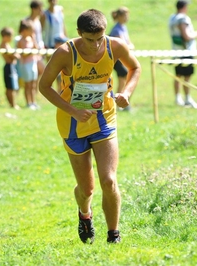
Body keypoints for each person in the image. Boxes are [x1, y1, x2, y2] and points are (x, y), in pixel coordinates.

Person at [39, 9, 141, 244]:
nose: (96, 45)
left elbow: (135, 68)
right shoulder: (65, 53)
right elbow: (44, 86)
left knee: (109, 180)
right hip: (72, 123)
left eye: (99, 38)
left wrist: (127, 92)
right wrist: (73, 110)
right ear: (78, 33)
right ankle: (85, 214)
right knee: (87, 189)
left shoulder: (115, 46)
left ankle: (113, 235)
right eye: (89, 39)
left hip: (104, 118)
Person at [168, 0, 197, 109]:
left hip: (176, 50)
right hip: (186, 51)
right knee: (187, 77)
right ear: (184, 7)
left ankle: (178, 97)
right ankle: (187, 98)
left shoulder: (172, 18)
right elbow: (186, 36)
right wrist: (195, 34)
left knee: (177, 75)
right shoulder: (183, 18)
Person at [109, 7, 134, 111]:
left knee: (124, 76)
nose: (126, 17)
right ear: (119, 16)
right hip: (115, 58)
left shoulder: (123, 27)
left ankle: (119, 101)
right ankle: (118, 101)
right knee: (124, 74)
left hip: (121, 57)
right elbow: (123, 45)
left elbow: (128, 42)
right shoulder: (116, 29)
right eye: (124, 15)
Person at [17, 19, 38, 110]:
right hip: (25, 65)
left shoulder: (31, 39)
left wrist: (34, 40)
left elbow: (36, 48)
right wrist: (31, 52)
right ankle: (28, 102)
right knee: (27, 85)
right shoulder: (20, 40)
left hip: (33, 62)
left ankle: (34, 102)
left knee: (33, 84)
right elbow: (22, 54)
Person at [0, 27, 20, 109]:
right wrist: (16, 54)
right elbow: (14, 56)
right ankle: (13, 105)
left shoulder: (6, 45)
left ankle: (13, 103)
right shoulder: (4, 45)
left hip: (11, 66)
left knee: (12, 86)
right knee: (10, 87)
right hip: (9, 66)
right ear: (6, 36)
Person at [27, 0, 45, 88]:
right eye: (39, 9)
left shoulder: (37, 21)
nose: (41, 11)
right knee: (41, 71)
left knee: (38, 73)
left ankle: (35, 91)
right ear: (34, 9)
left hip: (40, 49)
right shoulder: (28, 22)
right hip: (33, 51)